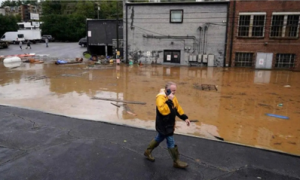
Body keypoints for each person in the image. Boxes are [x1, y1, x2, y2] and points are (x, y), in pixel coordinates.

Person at [144, 82, 191, 169]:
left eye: (175, 90)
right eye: (173, 90)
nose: (174, 92)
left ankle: (147, 151)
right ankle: (176, 161)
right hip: (163, 125)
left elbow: (177, 108)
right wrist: (169, 100)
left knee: (159, 137)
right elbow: (163, 111)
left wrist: (185, 118)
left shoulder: (173, 97)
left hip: (169, 124)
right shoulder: (160, 98)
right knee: (171, 141)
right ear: (167, 90)